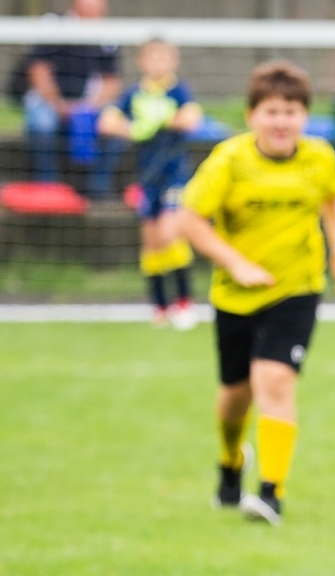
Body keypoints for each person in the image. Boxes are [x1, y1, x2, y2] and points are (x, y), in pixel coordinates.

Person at [179, 61, 335, 525]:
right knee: (234, 397)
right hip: (235, 295)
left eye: (292, 111)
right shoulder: (229, 160)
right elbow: (190, 219)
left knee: (274, 381)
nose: (282, 121)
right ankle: (229, 460)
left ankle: (270, 492)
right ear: (251, 115)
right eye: (272, 111)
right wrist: (235, 262)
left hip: (296, 289)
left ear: (304, 116)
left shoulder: (319, 157)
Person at [96, 38, 202, 330]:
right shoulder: (134, 94)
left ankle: (184, 301)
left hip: (174, 175)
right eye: (152, 58)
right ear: (142, 61)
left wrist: (163, 119)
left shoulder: (177, 91)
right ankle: (159, 306)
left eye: (164, 58)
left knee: (170, 233)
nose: (158, 63)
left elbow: (192, 118)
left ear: (174, 61)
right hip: (147, 177)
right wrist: (132, 128)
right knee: (152, 242)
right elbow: (106, 122)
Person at [16, 0, 123, 199]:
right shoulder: (53, 25)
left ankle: (97, 188)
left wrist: (88, 108)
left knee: (116, 125)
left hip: (88, 105)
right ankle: (48, 187)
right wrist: (59, 105)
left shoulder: (107, 36)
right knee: (42, 124)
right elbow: (39, 71)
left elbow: (111, 82)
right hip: (49, 102)